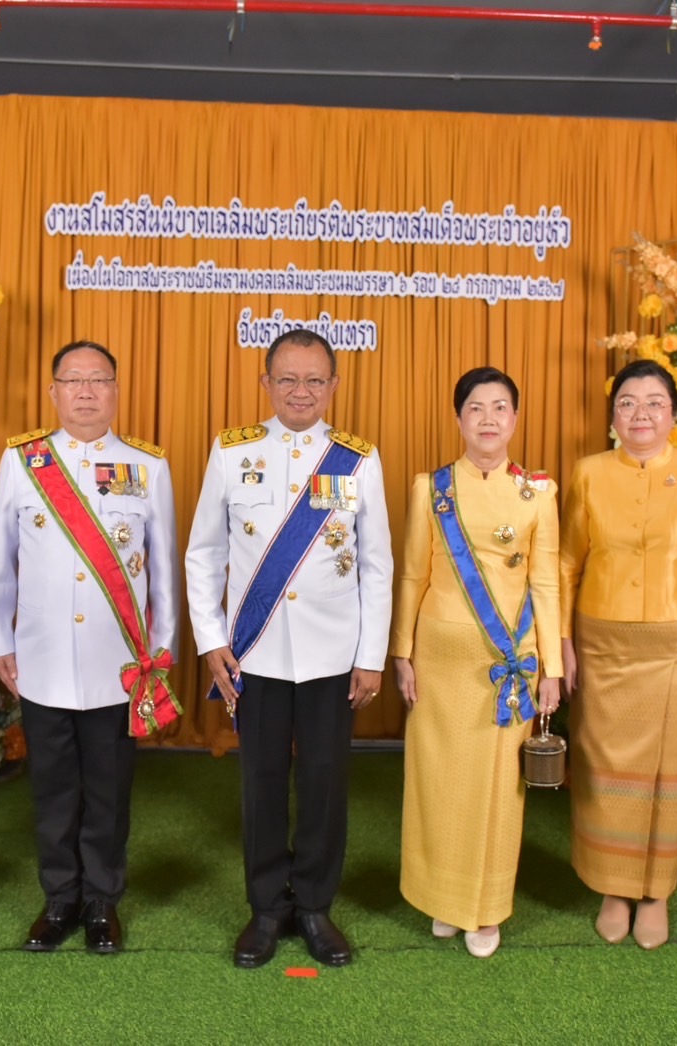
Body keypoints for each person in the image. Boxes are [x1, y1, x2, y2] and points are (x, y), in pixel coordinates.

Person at [184, 329, 393, 969]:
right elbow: (204, 554)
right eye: (288, 379)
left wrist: (371, 654)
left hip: (333, 655)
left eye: (314, 380)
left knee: (326, 783)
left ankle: (315, 907)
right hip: (257, 655)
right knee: (263, 783)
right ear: (266, 384)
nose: (301, 391)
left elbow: (377, 565)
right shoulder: (231, 450)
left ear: (333, 387)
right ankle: (267, 908)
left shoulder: (357, 459)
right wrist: (212, 640)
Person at [0, 340, 179, 956]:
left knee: (108, 788)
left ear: (117, 391)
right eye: (74, 381)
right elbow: (1, 564)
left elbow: (164, 574)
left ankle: (101, 902)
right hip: (40, 657)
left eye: (99, 380)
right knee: (52, 788)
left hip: (117, 663)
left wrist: (161, 655)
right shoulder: (23, 461)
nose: (87, 392)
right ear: (54, 393)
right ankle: (59, 899)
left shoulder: (147, 466)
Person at [558, 358, 677, 950]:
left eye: (654, 402)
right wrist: (561, 643)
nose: (641, 413)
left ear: (673, 413)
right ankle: (614, 887)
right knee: (605, 770)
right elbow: (566, 564)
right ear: (613, 415)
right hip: (602, 644)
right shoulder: (586, 473)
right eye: (628, 402)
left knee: (671, 772)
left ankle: (656, 892)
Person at [391, 367, 561, 959]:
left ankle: (485, 909)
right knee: (440, 781)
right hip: (441, 659)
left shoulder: (539, 493)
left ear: (515, 418)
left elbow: (547, 584)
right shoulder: (430, 487)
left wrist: (553, 669)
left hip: (509, 659)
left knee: (494, 788)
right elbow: (412, 573)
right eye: (475, 409)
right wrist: (402, 652)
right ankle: (442, 897)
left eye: (500, 408)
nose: (488, 420)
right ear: (459, 418)